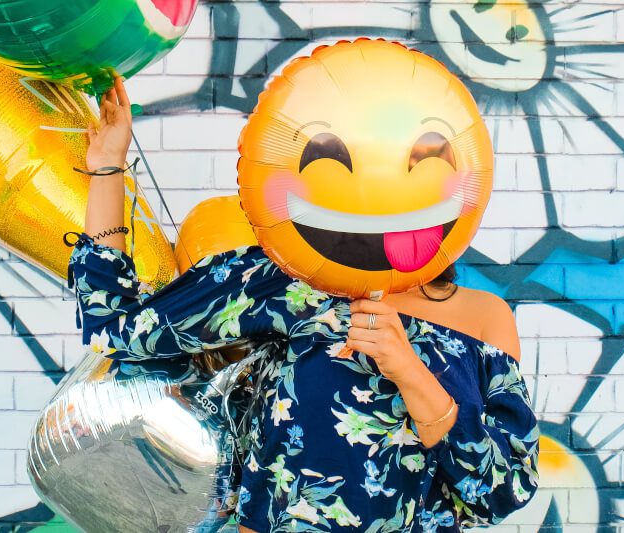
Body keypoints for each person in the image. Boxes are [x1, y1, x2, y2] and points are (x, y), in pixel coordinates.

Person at [68, 77, 539, 532]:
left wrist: (411, 373)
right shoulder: (286, 279)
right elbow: (117, 329)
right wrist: (109, 165)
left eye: (410, 158)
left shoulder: (484, 319)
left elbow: (504, 492)